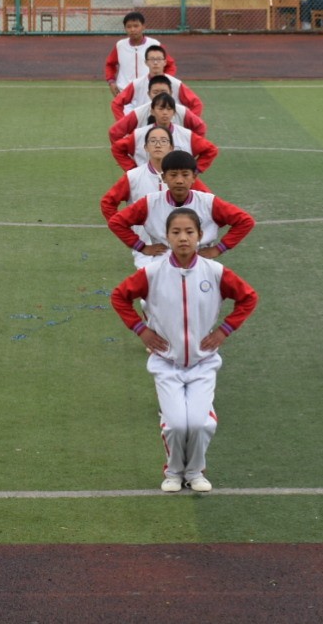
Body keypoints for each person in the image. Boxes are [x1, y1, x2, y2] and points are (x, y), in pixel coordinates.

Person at [110, 207, 258, 493]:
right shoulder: (152, 273)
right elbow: (119, 296)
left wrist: (224, 330)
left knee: (200, 425)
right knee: (177, 425)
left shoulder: (215, 272)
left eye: (189, 232)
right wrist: (141, 330)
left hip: (203, 364)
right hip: (166, 363)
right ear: (166, 237)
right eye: (176, 232)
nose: (183, 238)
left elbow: (248, 298)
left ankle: (195, 471)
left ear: (200, 236)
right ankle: (174, 471)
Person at [106, 150, 255, 263]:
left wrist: (218, 249)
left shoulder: (208, 202)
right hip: (162, 264)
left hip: (201, 264)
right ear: (164, 178)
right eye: (173, 175)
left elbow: (245, 221)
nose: (179, 180)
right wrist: (142, 247)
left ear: (194, 177)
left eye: (185, 175)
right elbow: (116, 222)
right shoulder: (150, 202)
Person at [112, 94, 219, 172]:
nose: (165, 113)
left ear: (174, 112)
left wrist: (195, 170)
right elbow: (117, 148)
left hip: (176, 188)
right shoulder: (139, 134)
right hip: (146, 184)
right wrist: (132, 170)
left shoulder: (186, 135)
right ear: (152, 111)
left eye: (169, 109)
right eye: (161, 108)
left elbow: (211, 150)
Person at [112, 47, 202, 119]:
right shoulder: (137, 84)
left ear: (165, 62)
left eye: (159, 59)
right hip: (145, 130)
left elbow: (196, 104)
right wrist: (123, 123)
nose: (155, 63)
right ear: (146, 62)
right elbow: (116, 103)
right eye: (151, 59)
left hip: (170, 131)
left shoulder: (176, 84)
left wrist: (189, 123)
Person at [105, 12, 176, 93]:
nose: (132, 29)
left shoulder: (154, 44)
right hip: (124, 91)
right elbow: (110, 64)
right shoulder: (120, 45)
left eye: (136, 26)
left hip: (148, 91)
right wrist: (111, 81)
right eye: (128, 27)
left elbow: (170, 65)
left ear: (143, 27)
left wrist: (164, 81)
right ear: (125, 28)